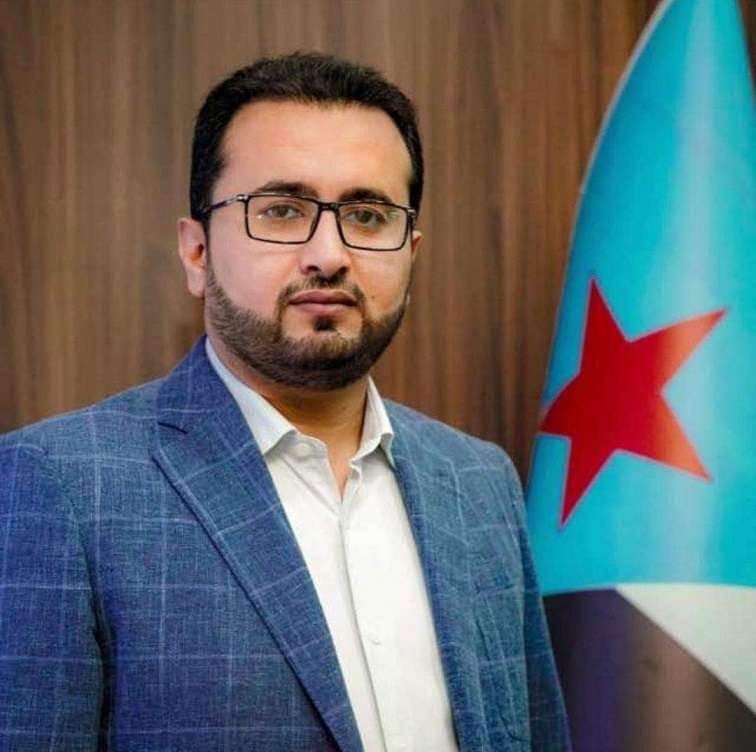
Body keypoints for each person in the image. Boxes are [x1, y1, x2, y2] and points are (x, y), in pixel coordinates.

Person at [0, 53, 570, 752]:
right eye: (281, 211)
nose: (328, 254)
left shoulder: (479, 482)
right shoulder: (58, 485)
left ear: (411, 254)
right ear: (197, 252)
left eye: (367, 215)